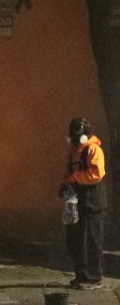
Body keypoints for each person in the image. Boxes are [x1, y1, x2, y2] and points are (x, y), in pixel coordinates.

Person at [61, 117, 107, 290]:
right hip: (80, 202)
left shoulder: (93, 150)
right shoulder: (75, 152)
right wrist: (65, 185)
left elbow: (96, 173)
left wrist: (73, 179)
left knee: (92, 240)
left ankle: (94, 278)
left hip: (93, 203)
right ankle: (82, 275)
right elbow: (69, 171)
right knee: (77, 240)